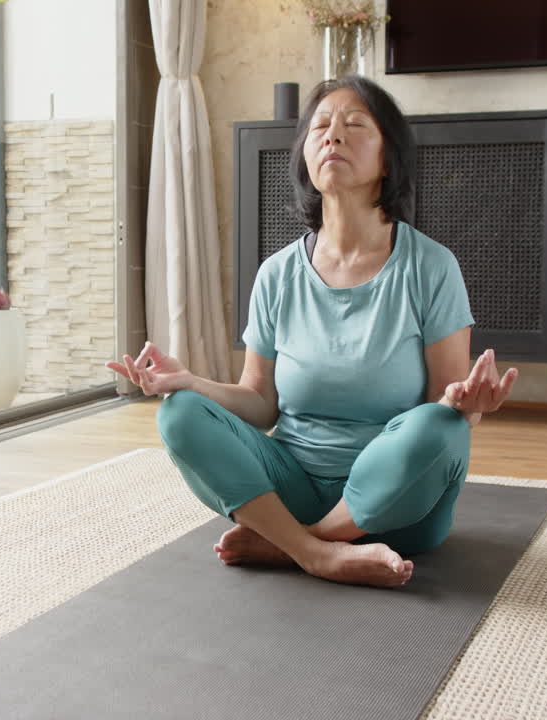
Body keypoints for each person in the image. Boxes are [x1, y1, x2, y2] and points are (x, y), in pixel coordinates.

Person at [107, 75, 518, 588]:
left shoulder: (431, 266)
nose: (333, 135)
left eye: (354, 124)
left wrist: (469, 405)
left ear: (389, 158)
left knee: (441, 427)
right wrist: (189, 382)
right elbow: (260, 403)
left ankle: (297, 543)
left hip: (397, 508)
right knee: (180, 414)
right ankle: (316, 552)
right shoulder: (277, 274)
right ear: (305, 155)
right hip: (293, 484)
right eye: (321, 125)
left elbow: (449, 404)